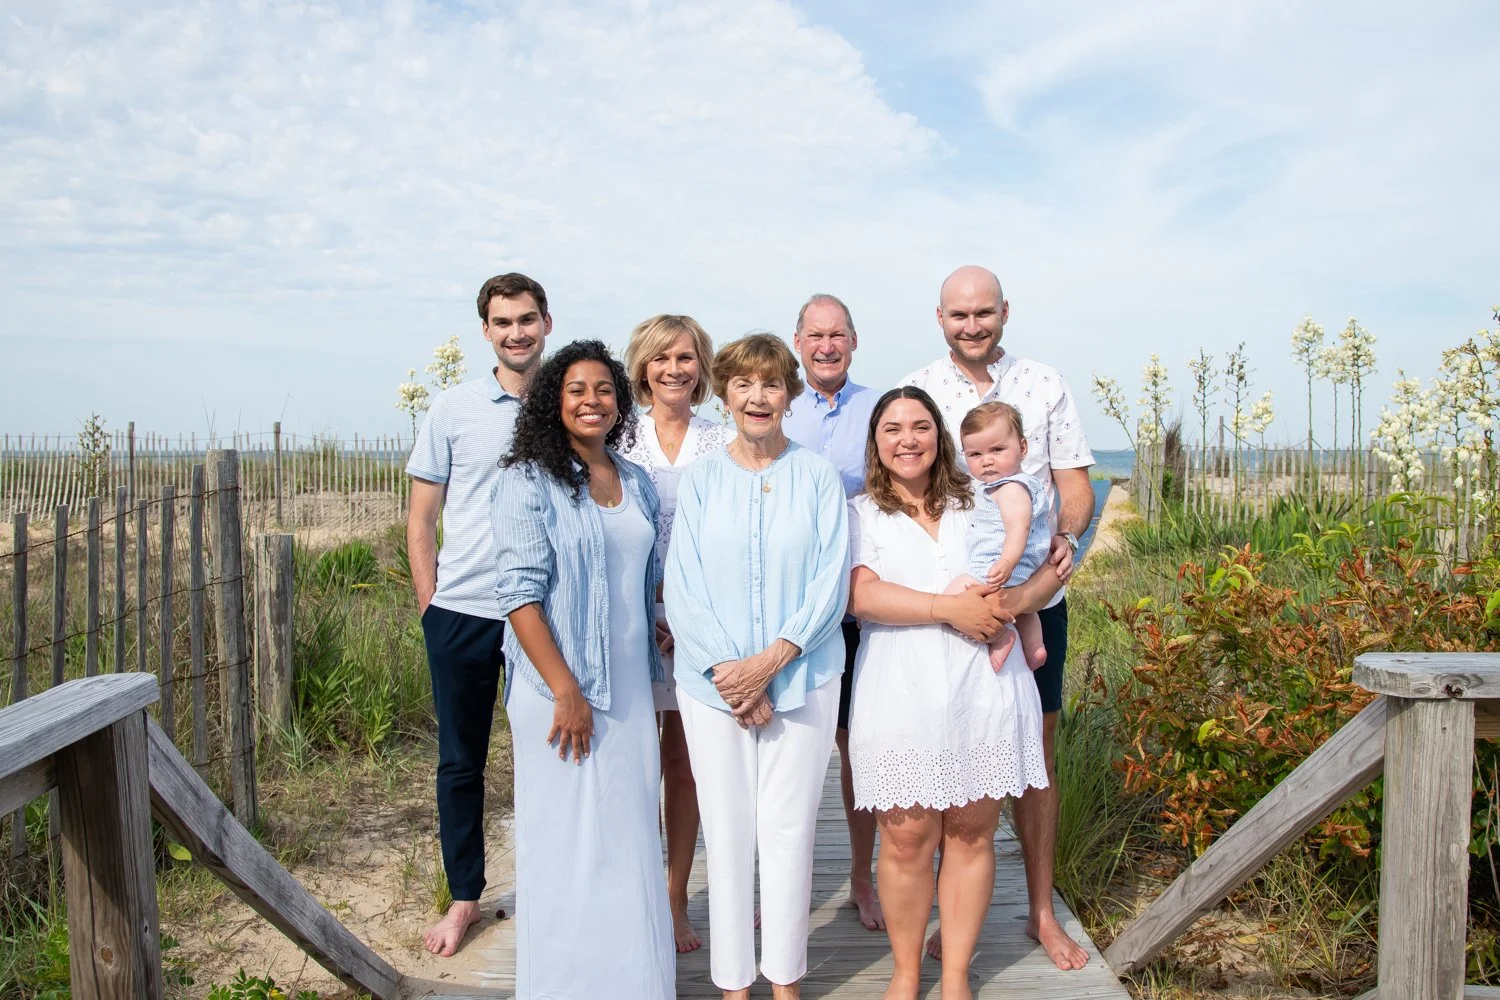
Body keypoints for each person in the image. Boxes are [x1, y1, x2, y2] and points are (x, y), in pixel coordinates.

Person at [899, 264, 1096, 970]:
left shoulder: (1045, 383)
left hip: (1037, 595)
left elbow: (1075, 486)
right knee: (951, 751)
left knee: (1037, 753)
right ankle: (948, 917)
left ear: (1005, 312)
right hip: (957, 603)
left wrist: (1062, 544)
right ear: (940, 318)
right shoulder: (921, 387)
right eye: (959, 315)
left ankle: (1042, 912)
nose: (972, 325)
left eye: (984, 313)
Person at [846, 386, 1057, 999]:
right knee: (906, 839)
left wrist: (1015, 600)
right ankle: (907, 973)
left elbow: (1044, 568)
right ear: (875, 442)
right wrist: (948, 609)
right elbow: (860, 595)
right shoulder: (860, 513)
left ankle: (957, 975)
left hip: (983, 687)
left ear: (939, 437)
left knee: (970, 832)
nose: (907, 439)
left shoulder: (982, 497)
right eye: (892, 429)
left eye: (920, 426)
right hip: (899, 689)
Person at [664, 333, 849, 1000]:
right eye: (742, 384)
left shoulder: (818, 476)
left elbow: (830, 581)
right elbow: (683, 585)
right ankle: (734, 984)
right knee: (727, 829)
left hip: (803, 678)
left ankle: (785, 980)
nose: (757, 396)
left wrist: (770, 663)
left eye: (771, 383)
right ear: (724, 395)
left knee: (789, 830)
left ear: (790, 395)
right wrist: (732, 674)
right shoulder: (701, 480)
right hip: (712, 686)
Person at [490, 339, 675, 998]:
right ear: (554, 401)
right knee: (565, 843)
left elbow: (635, 577)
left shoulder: (638, 480)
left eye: (604, 389)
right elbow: (519, 595)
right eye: (576, 389)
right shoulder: (527, 481)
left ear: (620, 401)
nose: (592, 400)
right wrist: (565, 689)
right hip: (558, 689)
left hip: (630, 688)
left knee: (627, 835)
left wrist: (657, 621)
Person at [406, 272, 550, 957]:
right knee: (462, 762)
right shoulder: (453, 408)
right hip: (463, 610)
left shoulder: (567, 399)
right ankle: (465, 896)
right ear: (486, 331)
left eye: (527, 319)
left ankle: (551, 885)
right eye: (503, 322)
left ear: (546, 322)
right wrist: (429, 605)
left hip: (542, 615)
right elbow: (421, 515)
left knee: (549, 755)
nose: (516, 332)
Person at [619, 313, 731, 954]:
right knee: (634, 762)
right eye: (661, 358)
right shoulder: (618, 434)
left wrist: (689, 617)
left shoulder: (721, 441)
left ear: (701, 366)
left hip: (694, 624)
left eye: (685, 357)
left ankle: (676, 895)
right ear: (642, 366)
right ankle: (633, 893)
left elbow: (731, 539)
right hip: (631, 620)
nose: (673, 369)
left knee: (684, 765)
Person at [780, 293, 884, 932]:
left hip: (859, 605)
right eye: (815, 335)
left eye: (837, 334)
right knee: (788, 751)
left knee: (857, 747)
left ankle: (861, 879)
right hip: (789, 609)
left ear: (853, 341)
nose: (826, 346)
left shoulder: (880, 409)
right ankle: (780, 888)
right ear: (798, 341)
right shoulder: (774, 406)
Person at [948, 402, 1052, 672]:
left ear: (1023, 448)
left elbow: (1019, 528)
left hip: (998, 563)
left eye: (997, 450)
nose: (987, 460)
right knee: (1025, 610)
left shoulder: (1010, 488)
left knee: (955, 595)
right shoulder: (1018, 485)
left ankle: (1000, 637)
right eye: (975, 454)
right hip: (1024, 566)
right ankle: (1035, 646)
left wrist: (1006, 562)